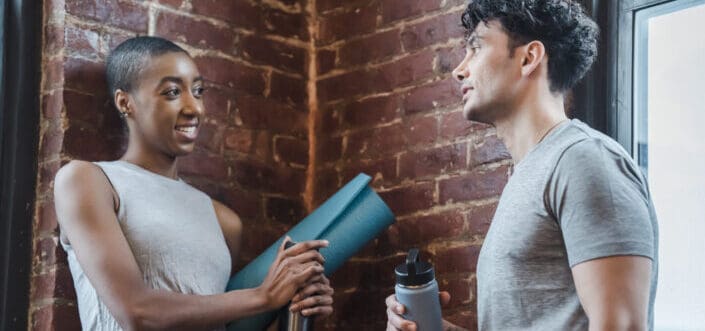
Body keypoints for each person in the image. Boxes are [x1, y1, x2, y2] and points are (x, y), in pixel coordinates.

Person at [385, 1, 659, 330]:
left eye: (476, 48)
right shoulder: (532, 173)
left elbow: (623, 327)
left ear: (528, 58)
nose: (460, 69)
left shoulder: (583, 160)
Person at [54, 36, 334, 330]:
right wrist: (264, 296)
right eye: (173, 92)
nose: (195, 108)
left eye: (198, 91)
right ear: (126, 102)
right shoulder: (89, 181)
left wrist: (298, 306)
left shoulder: (223, 221)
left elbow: (220, 319)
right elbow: (137, 312)